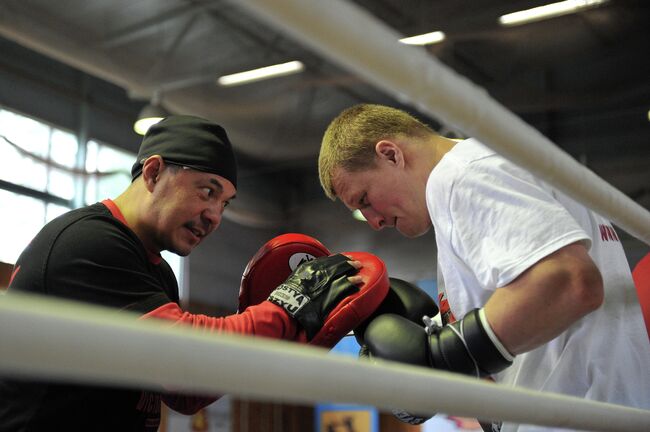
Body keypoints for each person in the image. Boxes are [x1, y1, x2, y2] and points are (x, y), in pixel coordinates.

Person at [0, 115, 365, 432]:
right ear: (154, 172)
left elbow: (188, 389)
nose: (215, 216)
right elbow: (183, 355)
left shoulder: (157, 272)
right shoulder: (89, 242)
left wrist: (270, 333)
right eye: (208, 191)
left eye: (224, 204)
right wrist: (288, 304)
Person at [318, 104, 650, 432]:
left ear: (391, 154)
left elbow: (569, 281)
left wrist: (441, 358)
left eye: (365, 200)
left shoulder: (463, 177)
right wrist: (431, 335)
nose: (374, 221)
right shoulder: (493, 166)